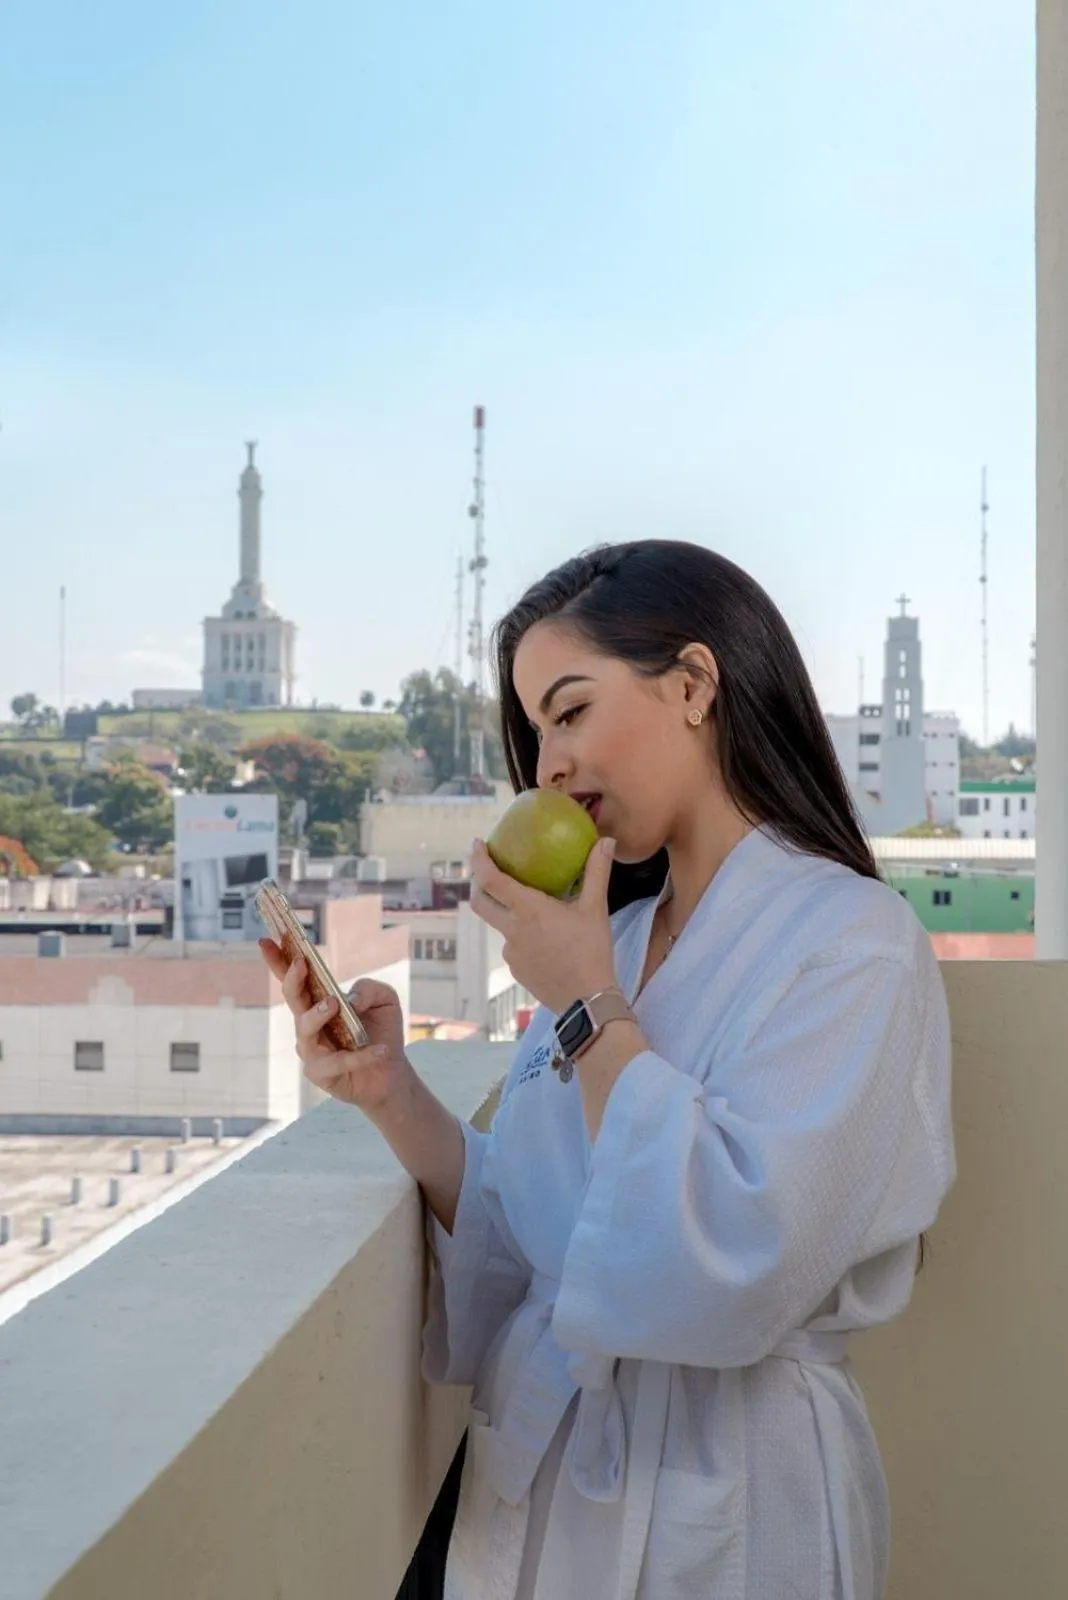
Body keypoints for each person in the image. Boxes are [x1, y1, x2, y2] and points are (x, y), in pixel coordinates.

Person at [262, 540, 955, 1600]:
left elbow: (742, 1252)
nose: (545, 764)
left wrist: (587, 1005)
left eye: (571, 710)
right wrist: (389, 1090)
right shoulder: (619, 941)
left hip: (732, 1500)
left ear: (692, 683)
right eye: (537, 729)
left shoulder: (854, 941)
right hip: (548, 1493)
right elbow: (545, 1226)